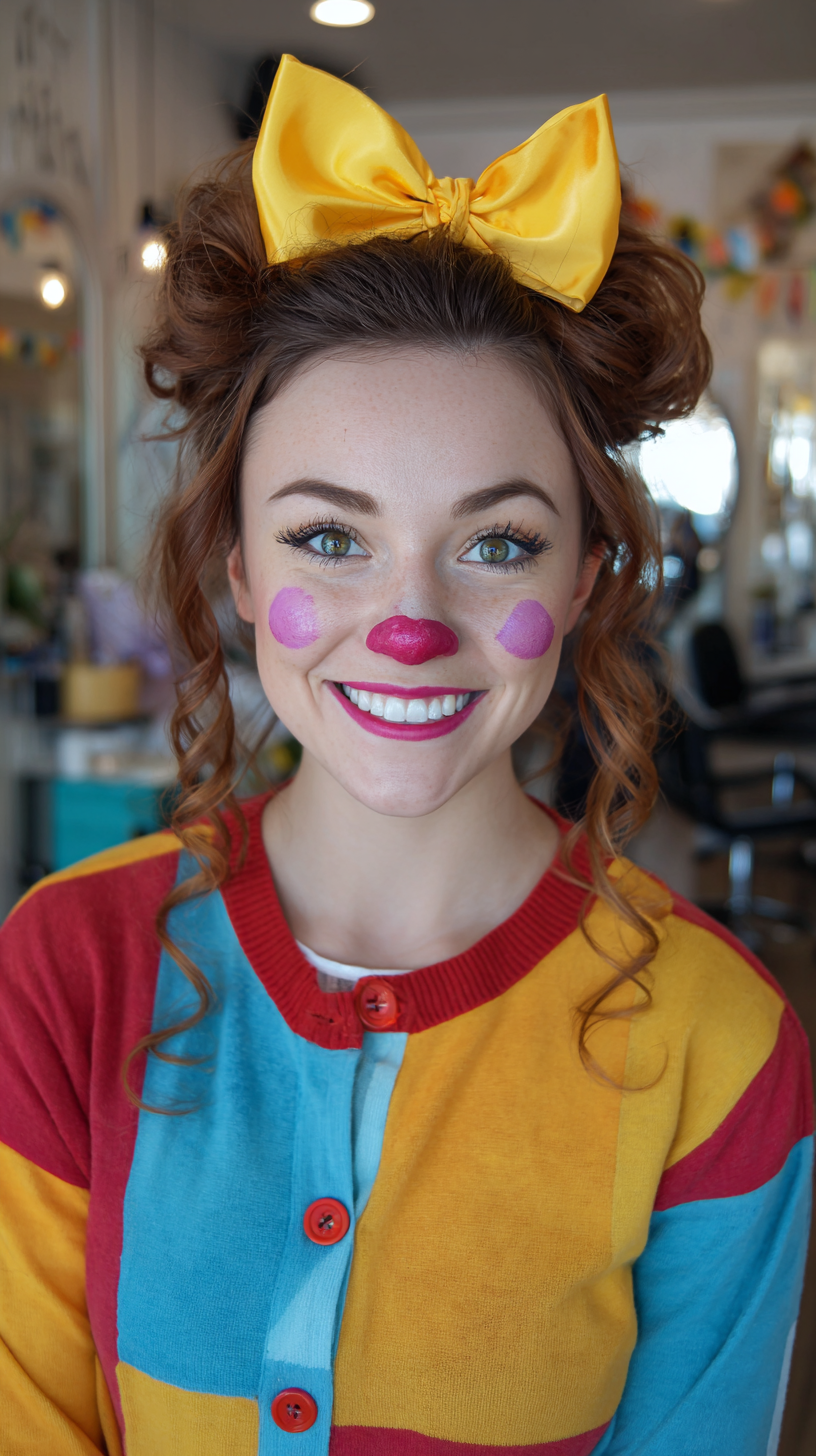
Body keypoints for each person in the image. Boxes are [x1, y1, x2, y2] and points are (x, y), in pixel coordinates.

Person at [0, 55, 811, 1456]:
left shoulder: (722, 1047)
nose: (414, 628)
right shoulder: (64, 968)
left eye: (498, 544)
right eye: (331, 537)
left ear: (593, 574)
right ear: (239, 566)